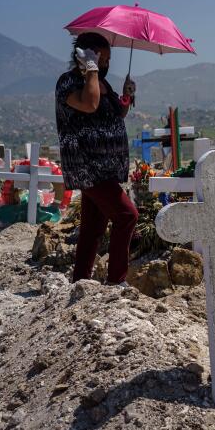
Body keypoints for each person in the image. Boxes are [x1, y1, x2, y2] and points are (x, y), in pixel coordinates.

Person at [55, 32, 138, 285]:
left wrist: (126, 97)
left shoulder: (102, 83)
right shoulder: (68, 83)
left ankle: (80, 282)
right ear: (88, 56)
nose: (107, 65)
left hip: (107, 167)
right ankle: (116, 281)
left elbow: (114, 114)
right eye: (103, 59)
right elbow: (90, 105)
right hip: (87, 166)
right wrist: (90, 69)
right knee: (127, 215)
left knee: (93, 228)